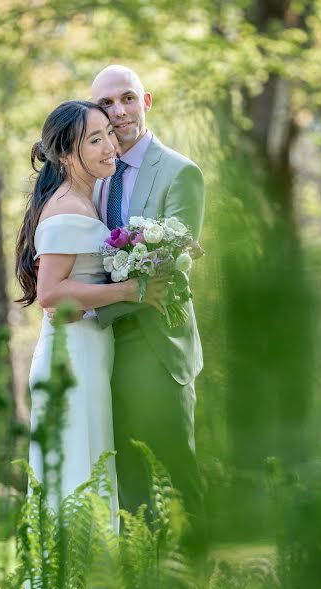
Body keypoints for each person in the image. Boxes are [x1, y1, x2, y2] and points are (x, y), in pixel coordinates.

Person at [15, 100, 168, 530]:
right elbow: (50, 295)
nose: (110, 147)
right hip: (72, 359)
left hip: (86, 353)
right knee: (78, 482)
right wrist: (131, 290)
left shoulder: (83, 198)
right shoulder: (67, 207)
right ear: (65, 154)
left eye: (109, 135)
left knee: (88, 475)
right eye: (95, 139)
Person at [90, 65, 207, 555]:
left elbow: (169, 273)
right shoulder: (91, 177)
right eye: (108, 105)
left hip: (157, 350)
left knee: (176, 485)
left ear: (147, 102)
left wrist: (94, 308)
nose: (119, 113)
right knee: (130, 496)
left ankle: (196, 584)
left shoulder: (179, 172)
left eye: (128, 99)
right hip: (101, 355)